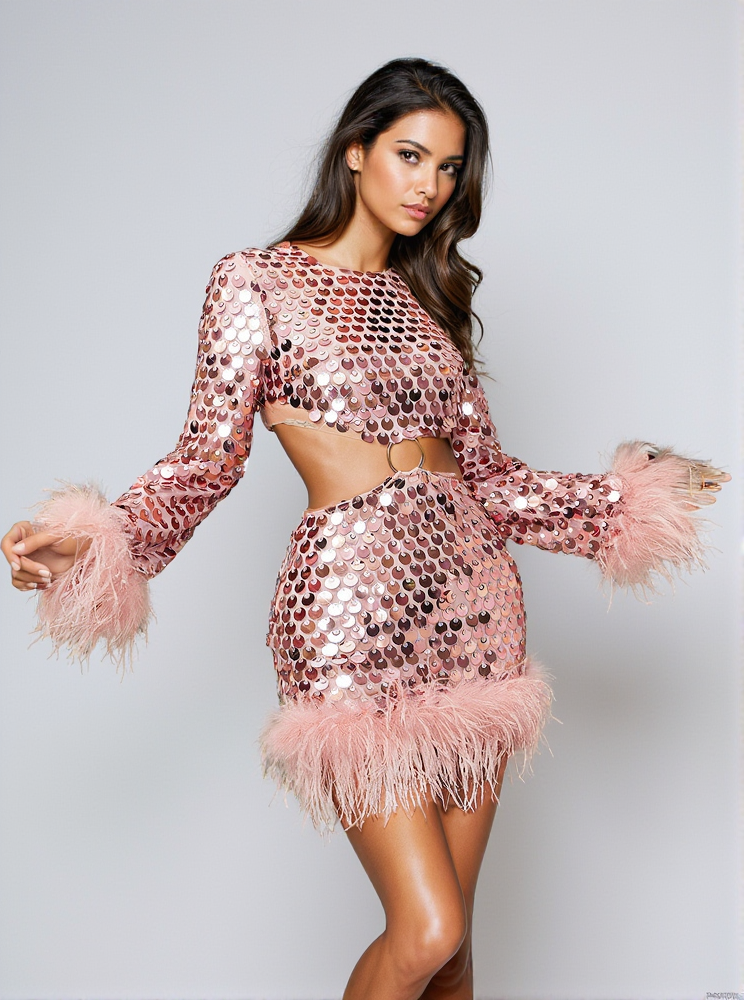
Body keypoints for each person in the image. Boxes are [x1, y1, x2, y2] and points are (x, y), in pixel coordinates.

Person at [1, 57, 729, 999]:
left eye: (449, 168)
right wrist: (93, 544)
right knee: (427, 929)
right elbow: (204, 461)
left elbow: (495, 483)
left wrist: (632, 498)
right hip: (347, 611)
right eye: (410, 155)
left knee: (455, 957)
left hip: (475, 606)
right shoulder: (256, 281)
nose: (430, 186)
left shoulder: (431, 301)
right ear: (356, 150)